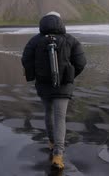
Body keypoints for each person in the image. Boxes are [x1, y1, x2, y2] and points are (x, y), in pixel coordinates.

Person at [21, 11, 86, 170]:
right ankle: (58, 155)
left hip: (43, 84)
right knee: (60, 117)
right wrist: (69, 76)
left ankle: (51, 142)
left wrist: (34, 75)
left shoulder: (35, 40)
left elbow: (25, 59)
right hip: (64, 86)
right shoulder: (70, 40)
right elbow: (81, 62)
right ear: (60, 22)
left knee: (48, 113)